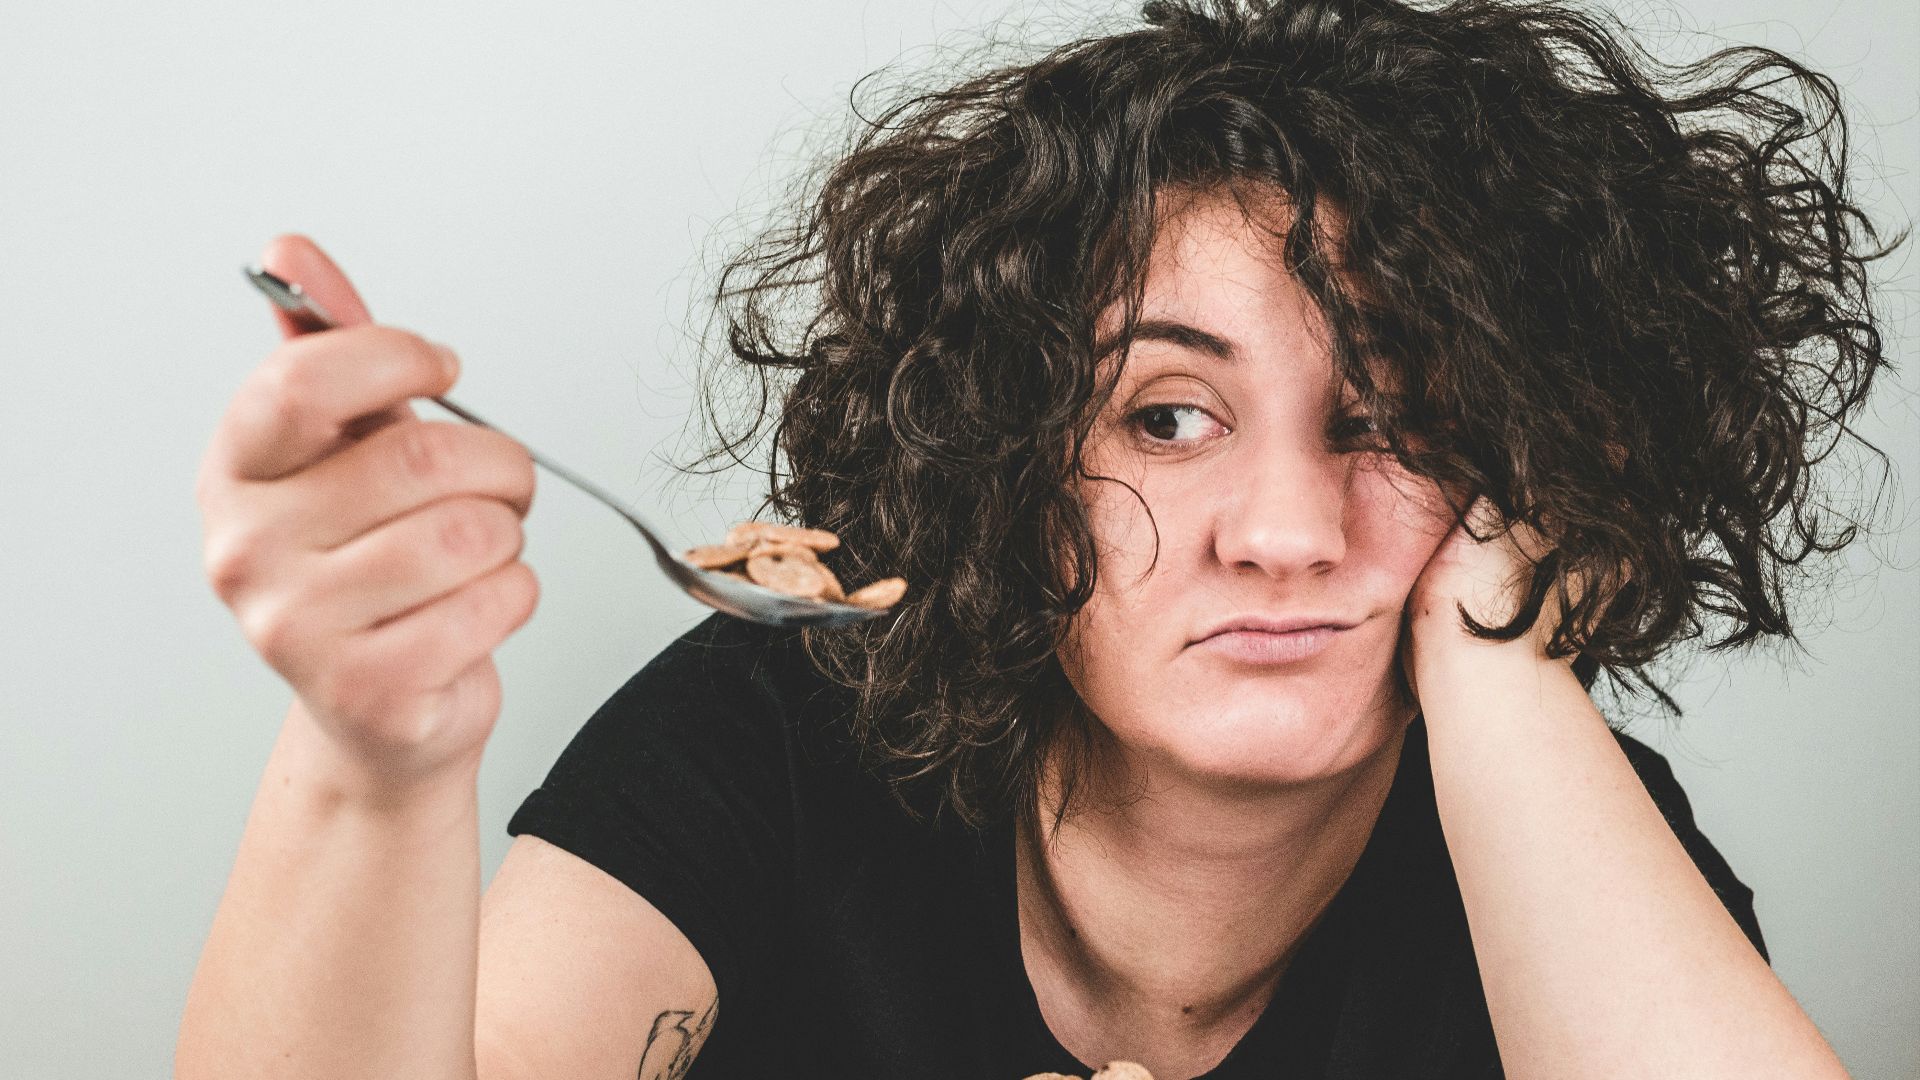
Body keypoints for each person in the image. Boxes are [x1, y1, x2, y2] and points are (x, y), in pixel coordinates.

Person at [176, 0, 1896, 1077]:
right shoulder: (778, 734)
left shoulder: (1562, 834)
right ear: (1006, 458)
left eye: (1393, 422)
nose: (1292, 532)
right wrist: (372, 765)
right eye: (1165, 417)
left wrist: (1514, 669)